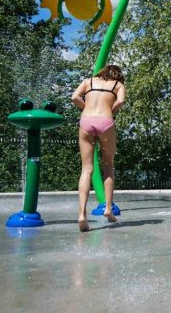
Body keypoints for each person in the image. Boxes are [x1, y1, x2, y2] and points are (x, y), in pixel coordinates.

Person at [71, 64, 126, 232]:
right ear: (117, 75)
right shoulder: (118, 85)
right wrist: (111, 110)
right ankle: (108, 209)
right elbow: (121, 101)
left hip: (86, 120)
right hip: (105, 121)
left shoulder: (88, 81)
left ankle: (82, 214)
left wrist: (85, 107)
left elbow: (74, 97)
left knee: (86, 169)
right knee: (108, 165)